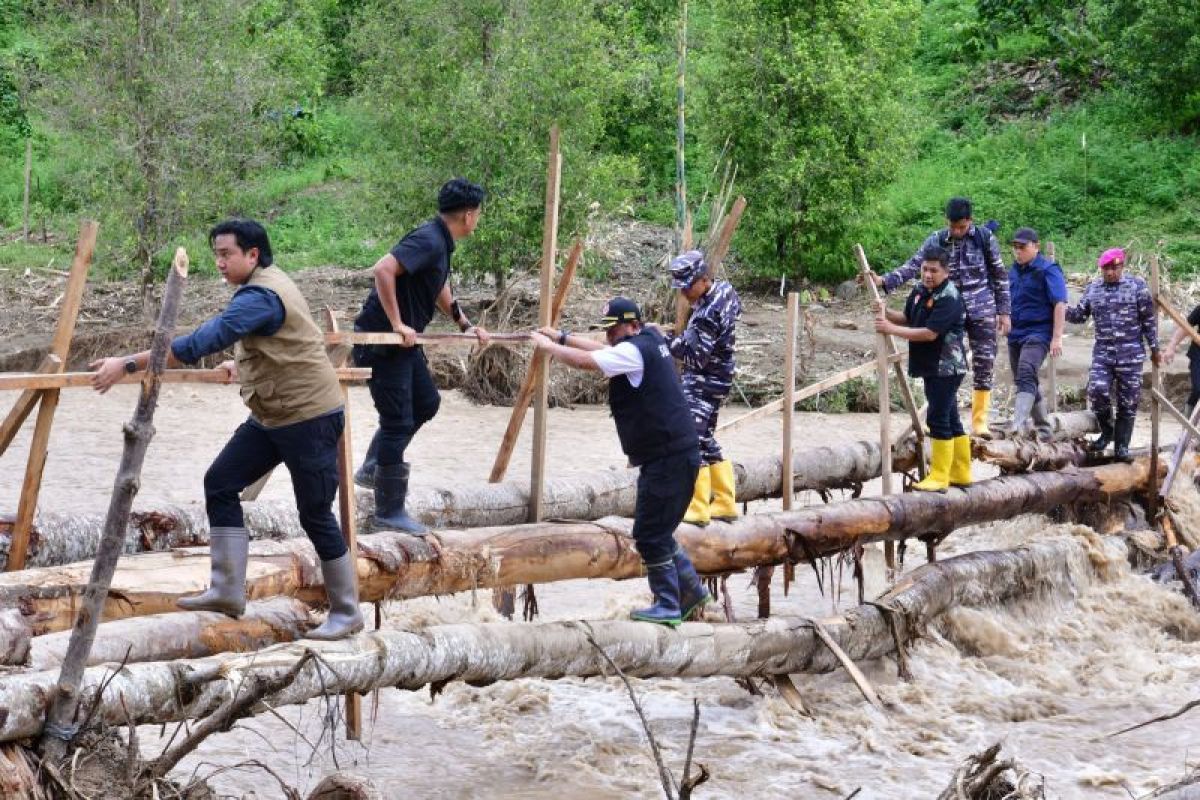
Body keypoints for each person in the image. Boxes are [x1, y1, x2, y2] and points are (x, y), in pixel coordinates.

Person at [90, 219, 362, 640]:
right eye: (216, 254)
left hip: (308, 417)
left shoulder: (261, 295)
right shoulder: (260, 288)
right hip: (273, 414)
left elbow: (202, 340)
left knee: (314, 514)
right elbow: (274, 341)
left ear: (252, 255)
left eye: (226, 254)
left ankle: (347, 611)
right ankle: (227, 589)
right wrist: (244, 364)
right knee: (220, 482)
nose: (218, 262)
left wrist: (127, 364)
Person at [530, 298, 711, 626]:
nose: (609, 335)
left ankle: (669, 603)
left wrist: (549, 348)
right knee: (659, 530)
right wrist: (562, 337)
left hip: (667, 458)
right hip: (676, 455)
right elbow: (600, 349)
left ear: (630, 325)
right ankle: (691, 592)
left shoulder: (631, 351)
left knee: (648, 534)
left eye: (613, 329)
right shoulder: (650, 339)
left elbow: (589, 361)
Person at [351, 178, 489, 534]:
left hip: (406, 345)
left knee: (426, 403)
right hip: (383, 343)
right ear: (469, 215)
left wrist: (464, 324)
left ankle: (374, 465)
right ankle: (388, 512)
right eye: (479, 215)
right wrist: (397, 322)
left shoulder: (440, 244)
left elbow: (437, 285)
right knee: (397, 421)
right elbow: (383, 269)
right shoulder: (428, 238)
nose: (478, 220)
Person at [863, 197, 1010, 437]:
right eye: (953, 226)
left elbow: (999, 274)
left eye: (961, 227)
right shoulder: (939, 239)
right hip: (948, 308)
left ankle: (979, 421)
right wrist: (884, 280)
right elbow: (915, 265)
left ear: (970, 221)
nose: (957, 231)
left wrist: (1004, 311)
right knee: (946, 363)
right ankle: (946, 415)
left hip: (981, 306)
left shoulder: (984, 238)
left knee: (984, 361)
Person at [873, 246, 972, 491]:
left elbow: (929, 333)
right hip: (930, 365)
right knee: (950, 417)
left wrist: (889, 328)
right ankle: (961, 472)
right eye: (925, 269)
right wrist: (886, 314)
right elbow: (908, 319)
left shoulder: (949, 296)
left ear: (946, 272)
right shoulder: (919, 291)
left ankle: (939, 476)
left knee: (938, 418)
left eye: (934, 271)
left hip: (947, 367)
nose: (928, 274)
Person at [665, 250, 742, 526]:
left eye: (688, 285)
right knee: (705, 439)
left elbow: (695, 356)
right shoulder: (725, 292)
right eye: (681, 287)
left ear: (704, 279)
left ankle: (697, 507)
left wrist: (667, 342)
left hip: (702, 383)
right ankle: (724, 501)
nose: (684, 292)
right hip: (720, 380)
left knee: (689, 441)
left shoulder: (706, 314)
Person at [1066, 247, 1159, 459]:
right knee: (1097, 391)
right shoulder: (1094, 288)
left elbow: (1148, 321)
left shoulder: (1137, 286)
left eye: (1114, 268)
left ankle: (1122, 448)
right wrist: (1060, 307)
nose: (1109, 273)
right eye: (1105, 269)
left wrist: (1155, 348)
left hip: (1131, 355)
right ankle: (1107, 432)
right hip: (1103, 355)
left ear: (1122, 266)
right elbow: (1080, 315)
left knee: (1128, 403)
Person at [1005, 227, 1067, 439]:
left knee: (1025, 370)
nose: (1018, 252)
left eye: (1022, 247)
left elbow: (1060, 303)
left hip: (1038, 332)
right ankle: (1044, 429)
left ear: (1036, 247)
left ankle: (1018, 424)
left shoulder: (1048, 270)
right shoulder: (1012, 271)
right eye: (1015, 247)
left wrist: (1057, 337)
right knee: (1025, 379)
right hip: (1015, 333)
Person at [1160, 304, 1200, 417]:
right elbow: (1185, 327)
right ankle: (1187, 422)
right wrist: (1171, 346)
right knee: (1198, 389)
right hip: (1198, 353)